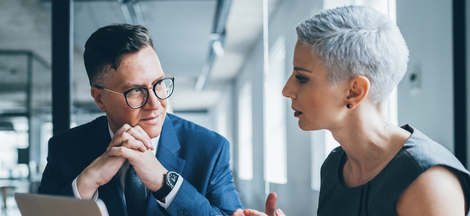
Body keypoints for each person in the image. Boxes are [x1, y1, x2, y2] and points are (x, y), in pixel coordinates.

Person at [234, 5, 470, 216]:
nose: (287, 90)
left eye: (301, 78)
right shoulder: (334, 165)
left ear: (354, 91)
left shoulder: (427, 182)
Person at [38, 23, 243, 216]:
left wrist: (167, 186)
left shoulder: (211, 149)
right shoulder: (64, 149)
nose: (155, 103)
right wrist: (87, 181)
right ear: (100, 98)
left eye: (159, 83)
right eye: (136, 90)